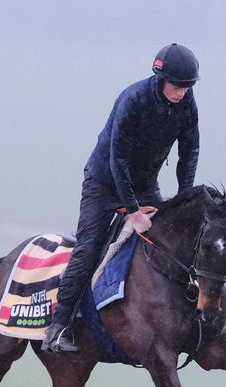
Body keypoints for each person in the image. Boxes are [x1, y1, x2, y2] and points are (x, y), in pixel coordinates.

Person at [43, 43, 201, 353]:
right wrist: (133, 212)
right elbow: (119, 160)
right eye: (176, 85)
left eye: (187, 87)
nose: (181, 92)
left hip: (144, 184)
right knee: (88, 249)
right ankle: (58, 327)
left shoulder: (187, 103)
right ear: (160, 78)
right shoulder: (134, 99)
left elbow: (189, 152)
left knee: (169, 242)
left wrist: (183, 202)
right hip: (103, 182)